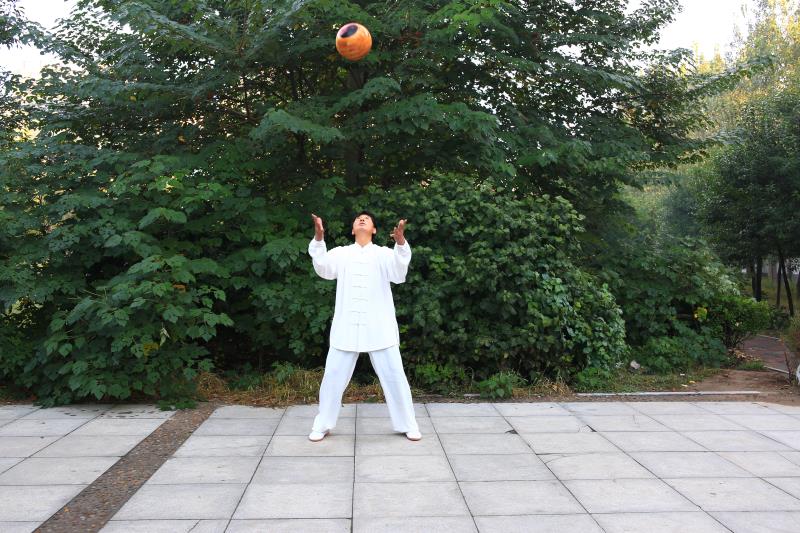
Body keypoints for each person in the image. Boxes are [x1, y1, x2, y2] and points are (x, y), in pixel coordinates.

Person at [307, 210, 421, 442]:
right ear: (352, 229)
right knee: (332, 377)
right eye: (358, 219)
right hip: (346, 326)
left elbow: (399, 273)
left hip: (379, 326)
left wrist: (400, 243)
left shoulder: (384, 254)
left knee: (395, 376)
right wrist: (319, 238)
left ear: (374, 229)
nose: (362, 220)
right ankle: (323, 424)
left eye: (367, 219)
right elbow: (323, 268)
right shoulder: (341, 253)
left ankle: (408, 424)